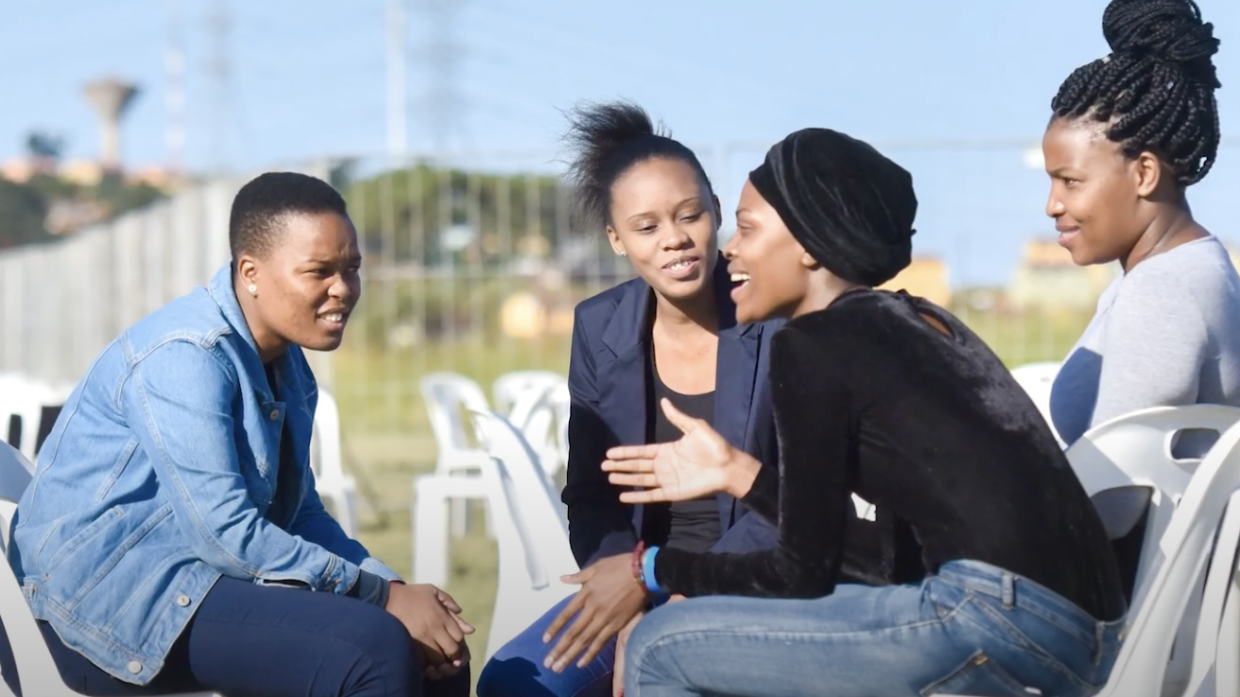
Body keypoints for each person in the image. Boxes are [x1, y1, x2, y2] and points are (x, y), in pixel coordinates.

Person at [603, 127, 1128, 697]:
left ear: (807, 245)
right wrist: (739, 473)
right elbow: (879, 563)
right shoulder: (920, 322)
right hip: (1081, 633)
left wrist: (652, 567)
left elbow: (797, 576)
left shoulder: (812, 344)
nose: (730, 248)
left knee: (661, 643)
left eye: (748, 227)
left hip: (994, 616)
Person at [6, 172, 473, 697]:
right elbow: (225, 535)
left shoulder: (287, 361)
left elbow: (301, 514)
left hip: (196, 579)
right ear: (250, 272)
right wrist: (378, 599)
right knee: (375, 650)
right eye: (319, 271)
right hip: (104, 605)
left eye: (352, 269)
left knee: (439, 647)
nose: (343, 289)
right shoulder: (187, 354)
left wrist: (394, 588)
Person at [1045, 0, 1240, 453]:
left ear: (1145, 174)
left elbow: (1120, 500)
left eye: (1071, 182)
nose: (1053, 205)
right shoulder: (1199, 265)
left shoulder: (1162, 291)